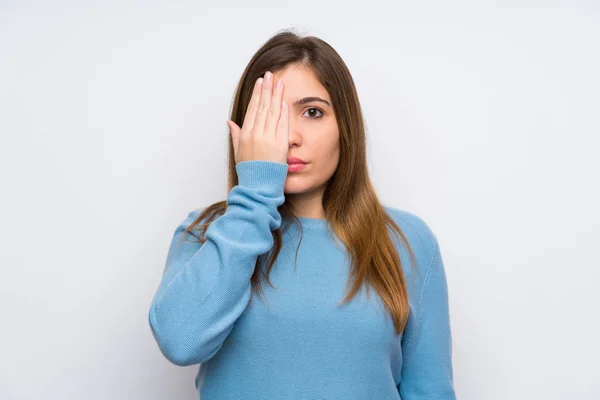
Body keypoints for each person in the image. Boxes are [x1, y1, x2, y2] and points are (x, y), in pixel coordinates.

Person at [148, 29, 456, 400]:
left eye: (313, 112)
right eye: (270, 116)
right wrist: (256, 194)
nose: (290, 136)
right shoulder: (206, 234)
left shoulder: (409, 241)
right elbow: (180, 342)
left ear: (345, 126)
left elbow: (431, 391)